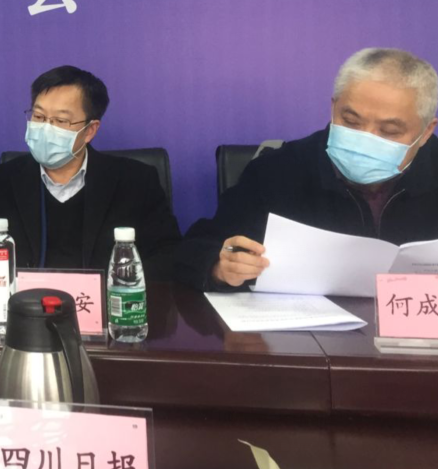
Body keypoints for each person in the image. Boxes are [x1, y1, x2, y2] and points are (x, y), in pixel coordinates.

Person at [177, 47, 438, 290]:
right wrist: (219, 266)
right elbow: (196, 249)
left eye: (389, 131)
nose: (365, 139)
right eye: (351, 121)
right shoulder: (278, 170)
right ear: (333, 107)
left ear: (426, 132)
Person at [0, 66, 181, 278]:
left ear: (90, 130)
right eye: (39, 117)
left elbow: (169, 255)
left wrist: (116, 286)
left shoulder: (136, 182)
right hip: (24, 305)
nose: (45, 128)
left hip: (106, 304)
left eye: (60, 120)